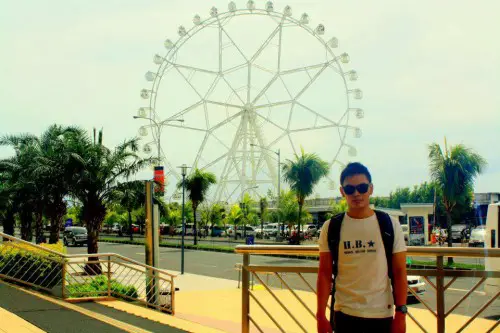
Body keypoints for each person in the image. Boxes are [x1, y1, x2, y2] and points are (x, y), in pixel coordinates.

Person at [316, 162, 408, 333]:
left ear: (371, 189)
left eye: (362, 187)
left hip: (381, 314)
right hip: (344, 313)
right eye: (350, 189)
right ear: (342, 192)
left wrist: (401, 314)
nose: (356, 193)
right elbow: (324, 273)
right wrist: (320, 315)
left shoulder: (389, 225)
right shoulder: (331, 227)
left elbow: (400, 271)